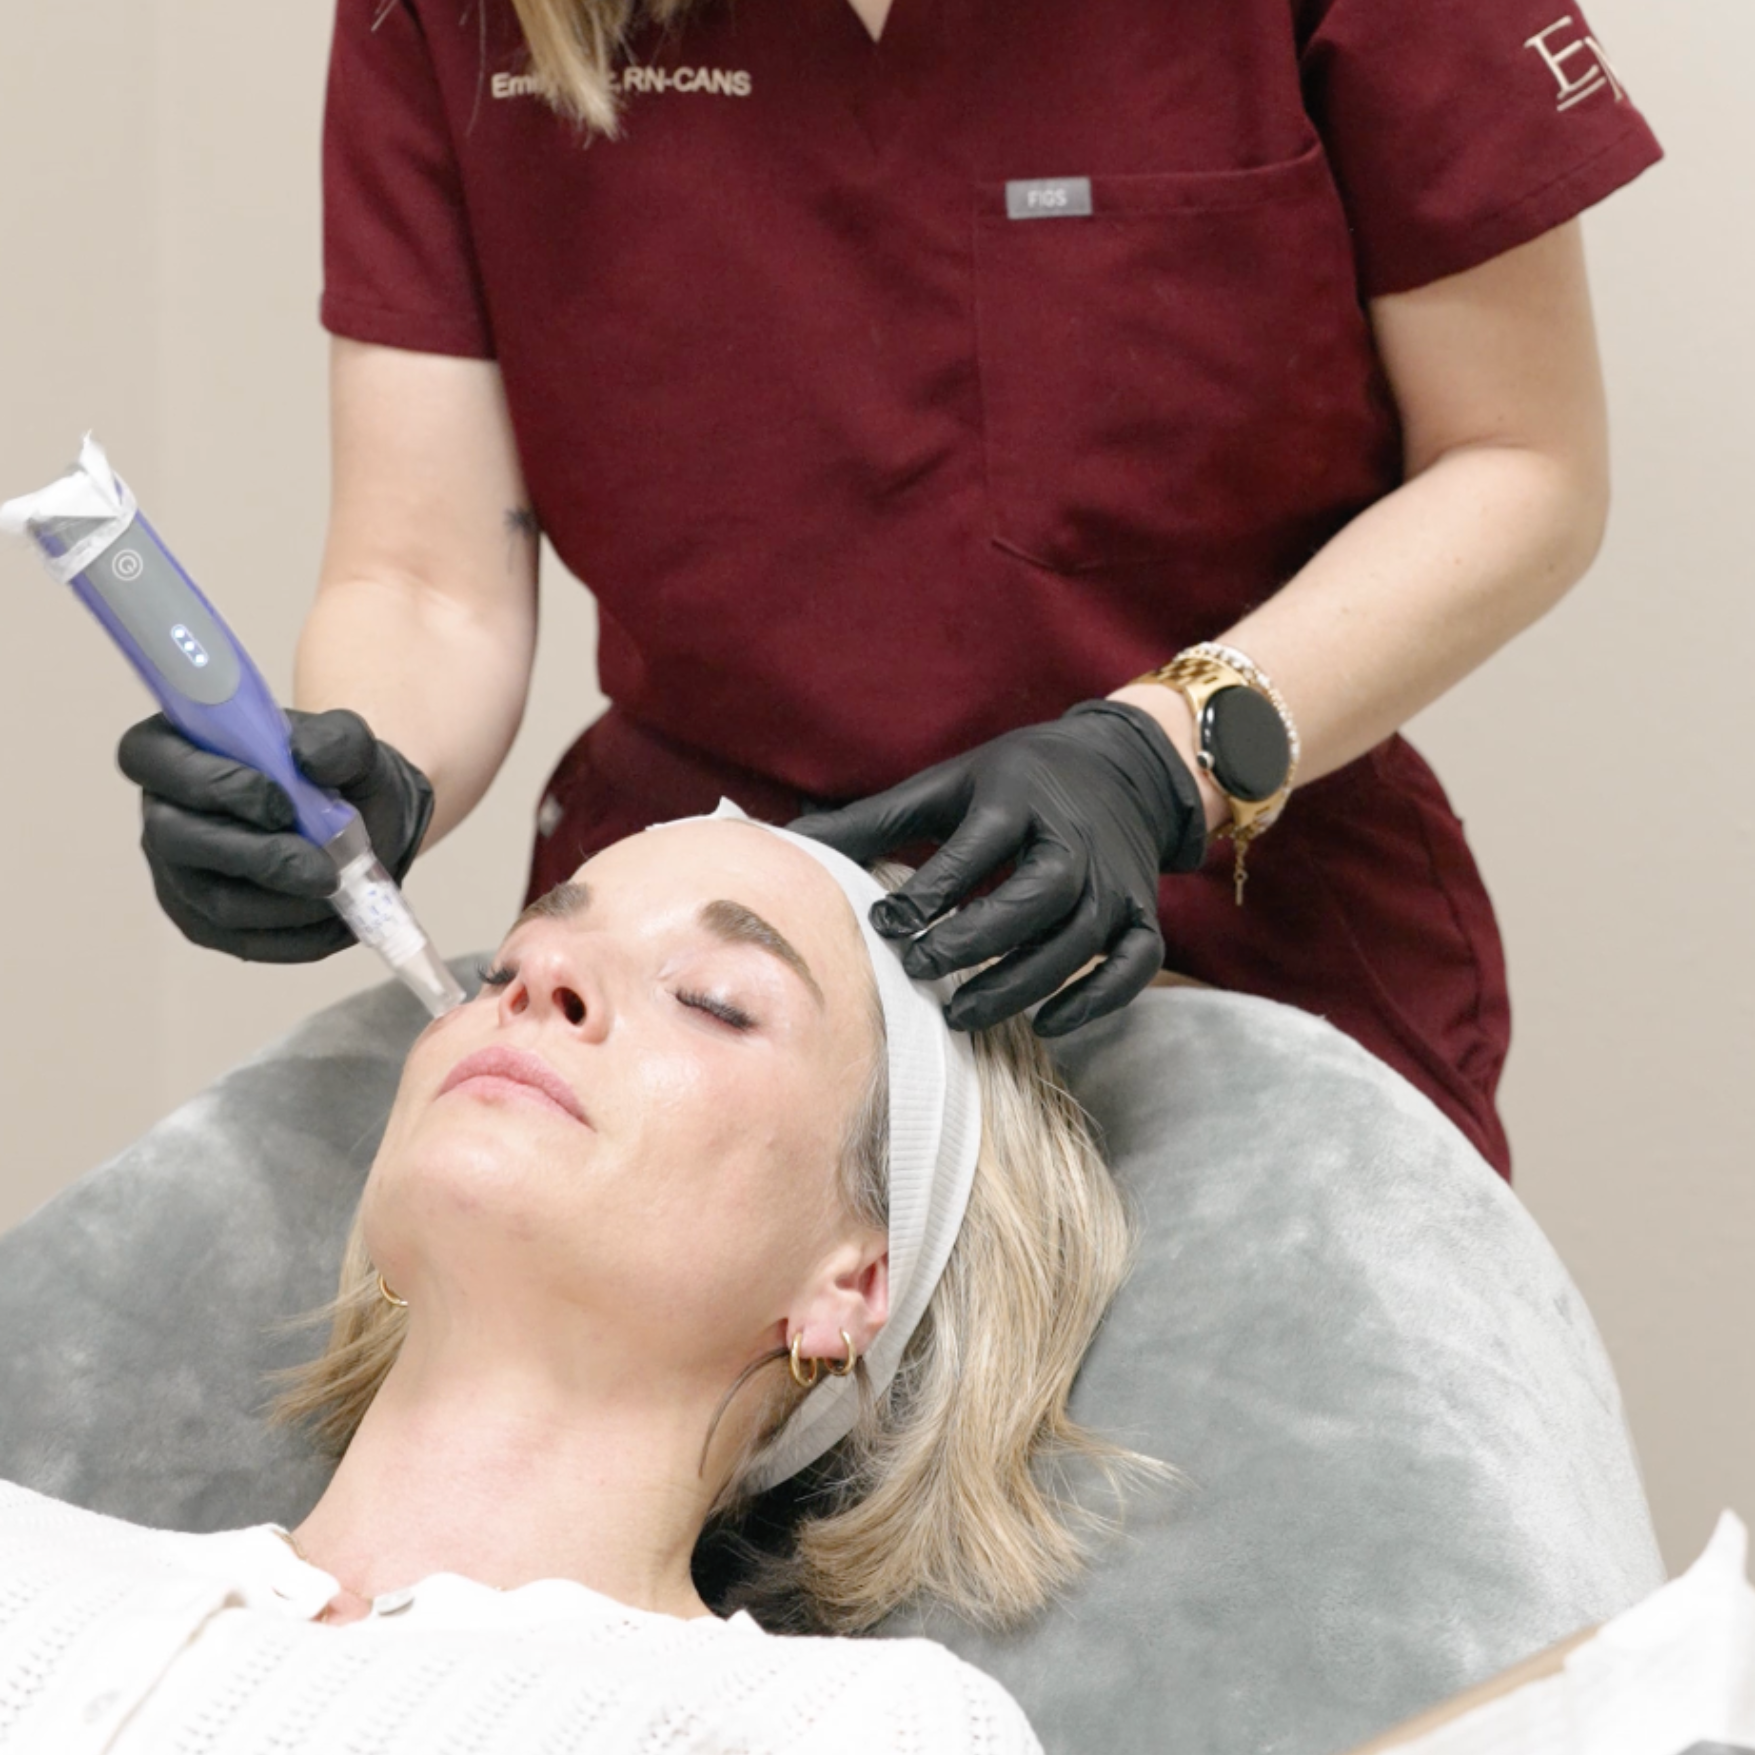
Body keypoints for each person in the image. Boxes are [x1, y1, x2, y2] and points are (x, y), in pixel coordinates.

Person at [114, 0, 1663, 1179]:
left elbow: (1519, 461)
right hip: (689, 1013)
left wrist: (1157, 754)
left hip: (1228, 959)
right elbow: (426, 578)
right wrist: (348, 786)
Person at [0, 807, 1143, 1752]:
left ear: (851, 1286)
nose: (540, 975)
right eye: (502, 967)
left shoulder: (848, 1727)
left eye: (715, 999)